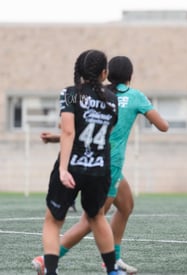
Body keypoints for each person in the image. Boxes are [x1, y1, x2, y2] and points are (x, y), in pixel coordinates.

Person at [33, 55, 169, 274]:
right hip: (106, 164)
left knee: (125, 206)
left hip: (96, 160)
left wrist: (57, 138)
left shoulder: (93, 94)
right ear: (129, 76)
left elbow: (79, 129)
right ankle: (46, 259)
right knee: (92, 219)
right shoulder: (127, 97)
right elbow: (164, 126)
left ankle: (114, 259)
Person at [36, 49, 119, 275]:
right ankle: (112, 270)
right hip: (100, 169)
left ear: (79, 70)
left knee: (53, 221)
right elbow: (94, 134)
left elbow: (70, 132)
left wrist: (63, 169)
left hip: (72, 167)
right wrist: (57, 138)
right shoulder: (112, 99)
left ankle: (50, 271)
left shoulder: (72, 93)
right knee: (96, 216)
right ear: (104, 73)